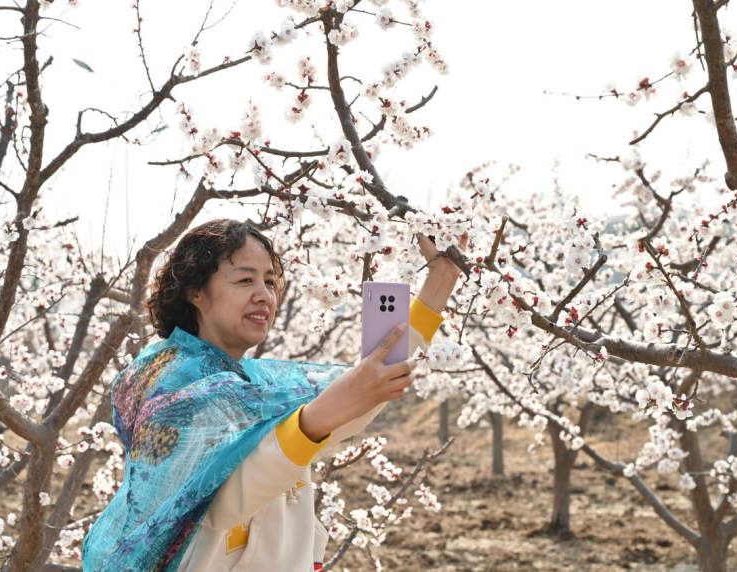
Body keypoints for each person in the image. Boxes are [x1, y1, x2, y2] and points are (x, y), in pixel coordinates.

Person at [82, 218, 464, 572]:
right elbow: (227, 500)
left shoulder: (258, 383)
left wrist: (439, 285)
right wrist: (316, 420)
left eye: (270, 281)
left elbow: (359, 395)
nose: (264, 295)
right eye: (245, 281)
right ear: (196, 292)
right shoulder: (172, 387)